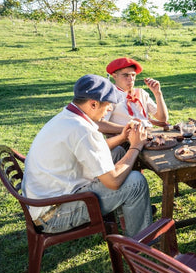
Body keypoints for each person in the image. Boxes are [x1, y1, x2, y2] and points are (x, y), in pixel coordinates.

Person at [99, 57, 196, 215]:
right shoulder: (109, 98)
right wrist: (126, 129)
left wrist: (157, 93)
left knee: (187, 153)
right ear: (114, 76)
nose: (130, 79)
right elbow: (99, 124)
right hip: (129, 142)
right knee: (176, 162)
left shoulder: (141, 93)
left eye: (133, 75)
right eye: (125, 75)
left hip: (154, 139)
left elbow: (162, 118)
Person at [23, 74, 153, 237]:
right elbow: (113, 182)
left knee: (118, 152)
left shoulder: (69, 117)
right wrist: (135, 146)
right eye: (108, 105)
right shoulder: (82, 130)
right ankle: (140, 243)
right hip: (53, 215)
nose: (110, 109)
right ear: (93, 104)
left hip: (47, 201)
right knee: (136, 182)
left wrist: (121, 138)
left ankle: (128, 217)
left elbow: (92, 149)